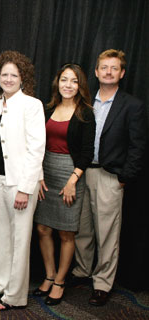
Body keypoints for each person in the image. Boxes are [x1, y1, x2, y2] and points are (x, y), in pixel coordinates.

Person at [70, 49, 147, 306]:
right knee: (81, 230)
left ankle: (102, 283)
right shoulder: (86, 101)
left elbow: (138, 146)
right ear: (96, 71)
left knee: (107, 233)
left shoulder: (132, 105)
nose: (109, 72)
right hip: (82, 172)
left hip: (108, 175)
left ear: (122, 73)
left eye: (114, 68)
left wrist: (124, 177)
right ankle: (81, 271)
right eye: (104, 67)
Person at [0, 50, 45, 310]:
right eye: (4, 74)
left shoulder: (32, 105)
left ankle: (14, 296)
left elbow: (36, 150)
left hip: (20, 184)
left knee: (19, 240)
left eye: (13, 75)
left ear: (23, 78)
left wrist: (26, 188)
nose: (8, 79)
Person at [33, 64, 95, 305]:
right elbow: (37, 143)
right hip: (45, 171)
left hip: (71, 175)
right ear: (57, 83)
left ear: (80, 86)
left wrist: (72, 181)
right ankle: (48, 275)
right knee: (42, 229)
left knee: (66, 232)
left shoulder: (85, 113)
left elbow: (87, 153)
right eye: (64, 80)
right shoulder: (47, 109)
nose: (68, 85)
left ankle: (60, 280)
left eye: (74, 81)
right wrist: (37, 175)